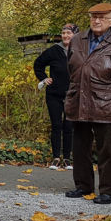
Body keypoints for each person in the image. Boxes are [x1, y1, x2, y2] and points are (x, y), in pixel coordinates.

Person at [64, 3, 111, 205]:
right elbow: (72, 68)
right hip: (79, 100)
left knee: (108, 150)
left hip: (107, 104)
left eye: (102, 17)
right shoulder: (78, 39)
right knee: (79, 147)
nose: (96, 21)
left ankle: (107, 191)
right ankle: (83, 186)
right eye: (94, 17)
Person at [34, 23, 79, 170]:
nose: (66, 36)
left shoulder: (80, 50)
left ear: (75, 35)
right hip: (54, 94)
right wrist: (44, 78)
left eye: (69, 33)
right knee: (56, 125)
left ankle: (67, 158)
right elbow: (38, 64)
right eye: (64, 33)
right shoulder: (54, 50)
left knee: (69, 126)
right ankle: (55, 158)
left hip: (73, 94)